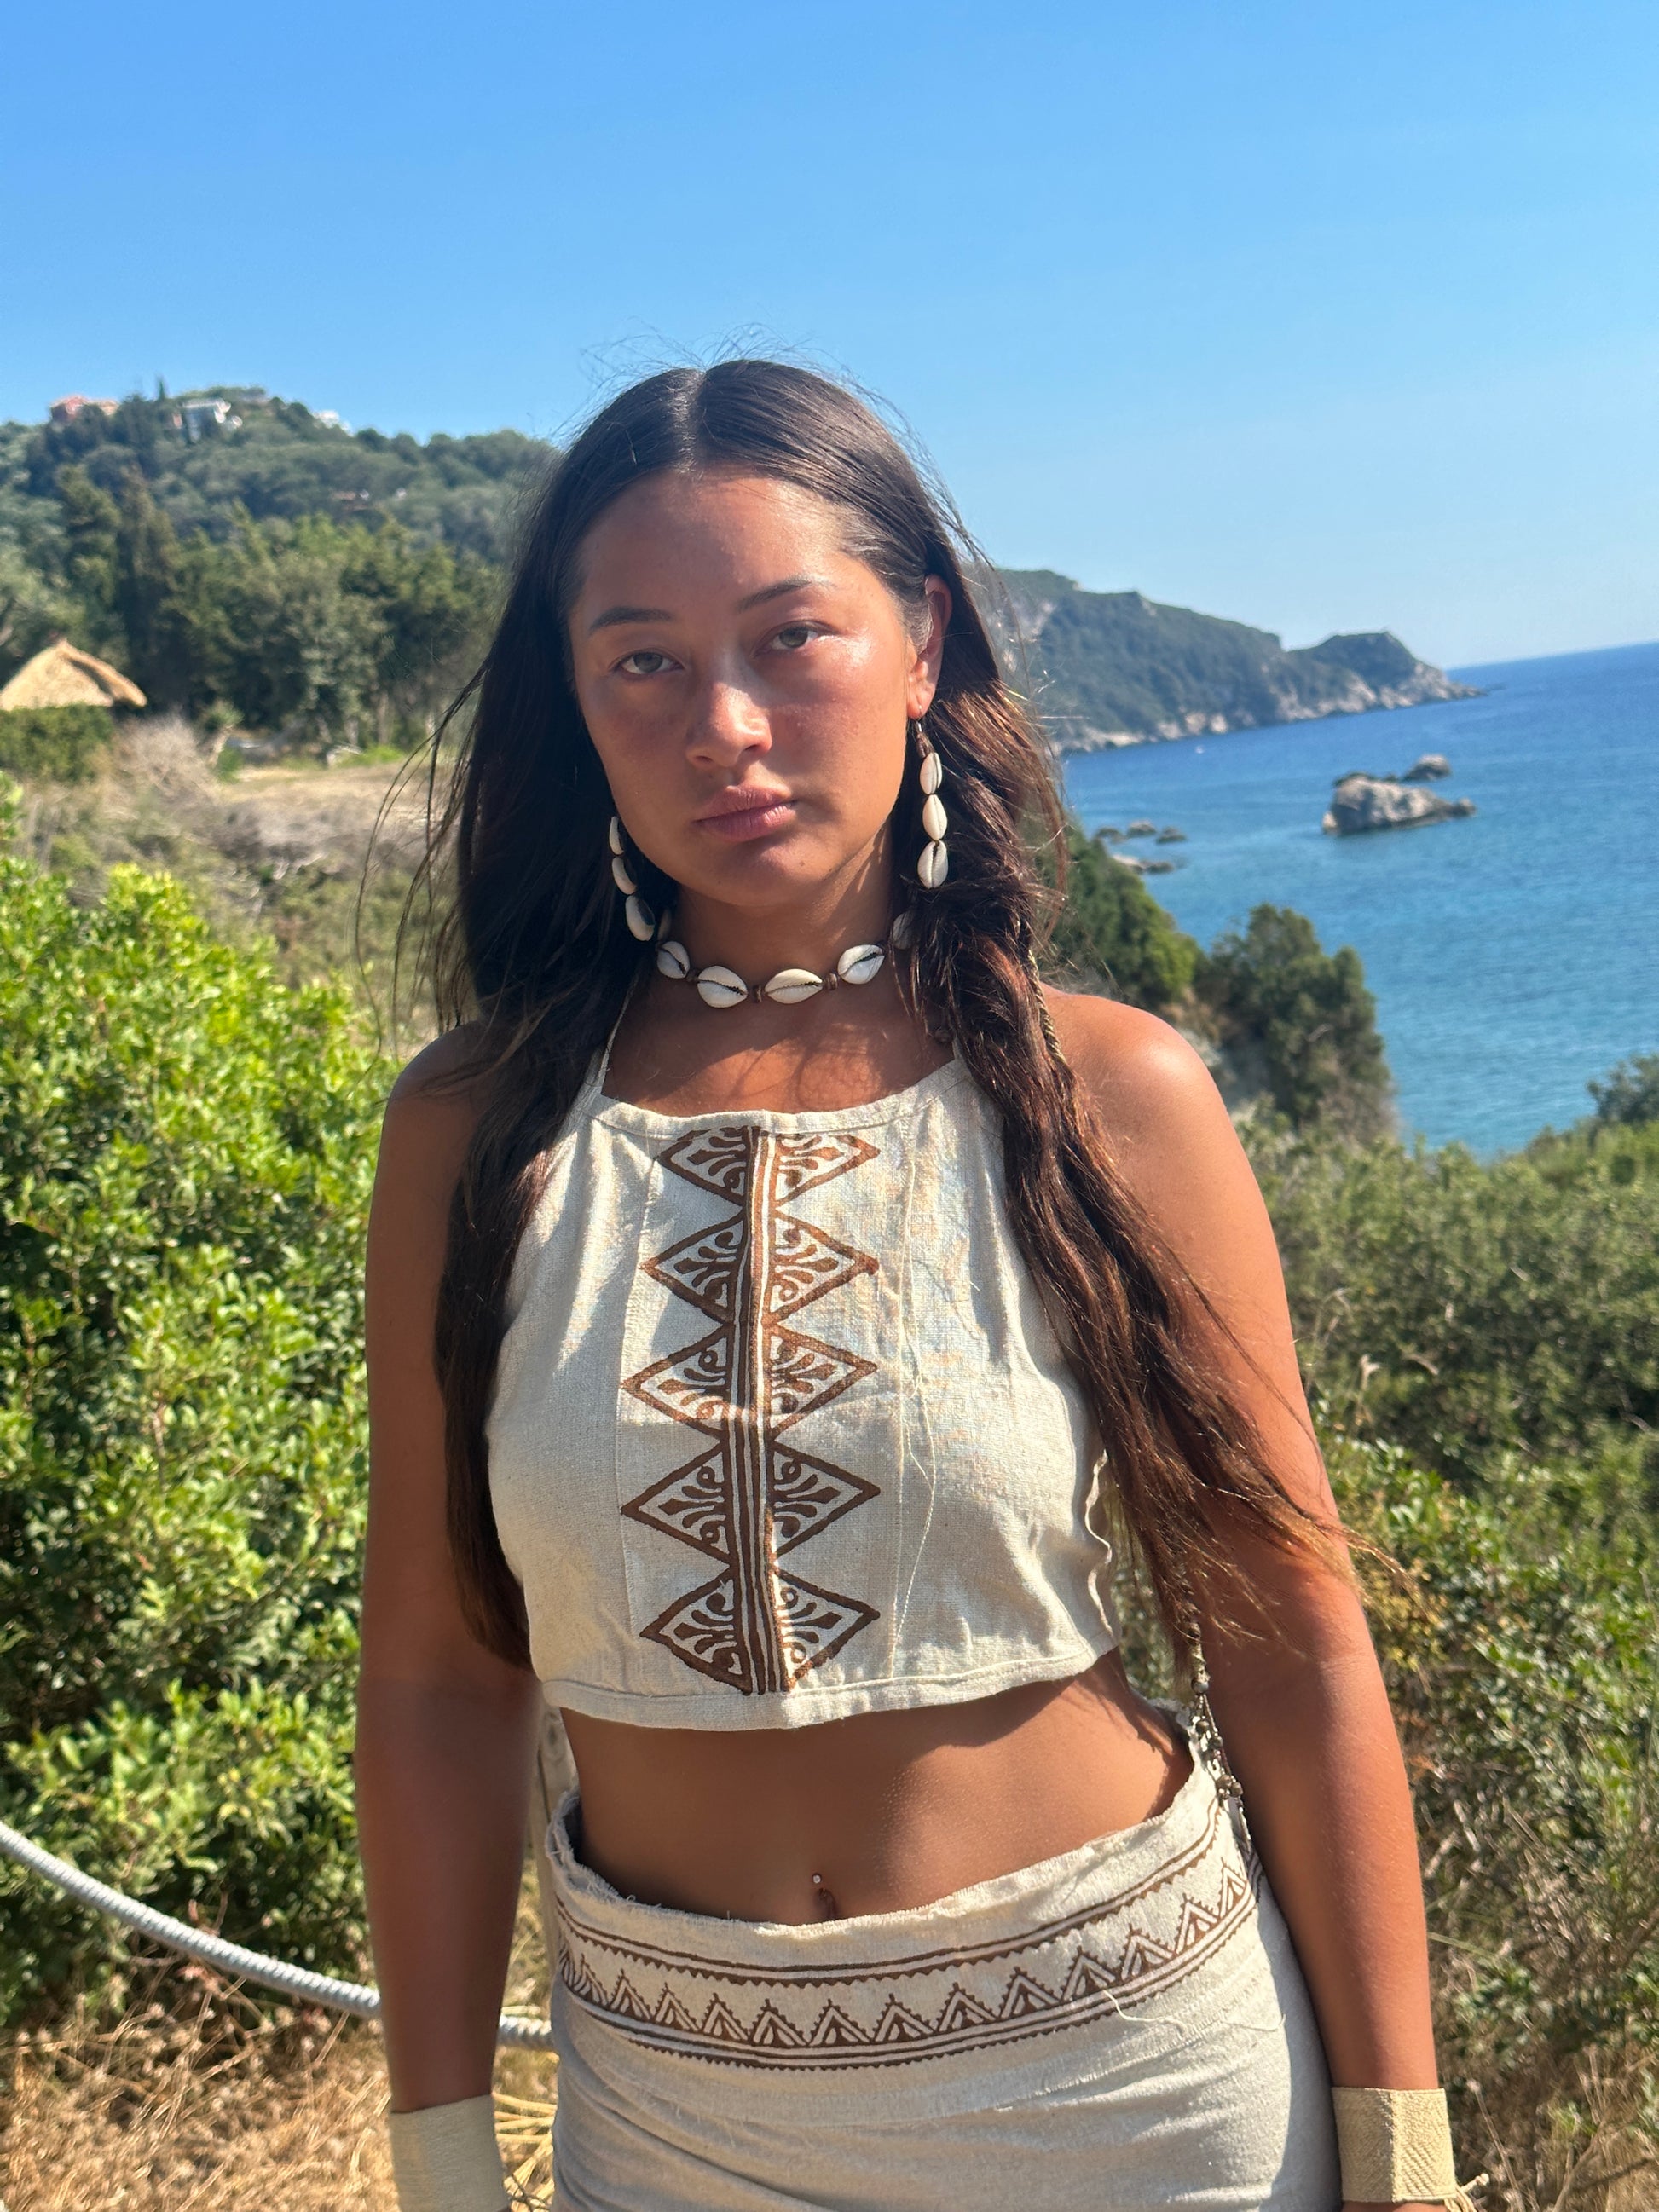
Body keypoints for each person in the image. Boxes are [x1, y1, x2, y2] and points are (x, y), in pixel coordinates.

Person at [356, 361, 1475, 2212]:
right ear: (576, 702)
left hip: (1135, 2091)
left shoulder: (1109, 1093)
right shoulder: (472, 1130)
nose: (724, 721)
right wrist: (441, 2154)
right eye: (640, 658)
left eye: (790, 637)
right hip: (676, 2116)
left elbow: (1290, 1634)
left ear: (920, 638)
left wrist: (1403, 2157)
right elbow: (437, 1671)